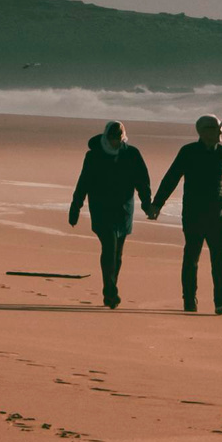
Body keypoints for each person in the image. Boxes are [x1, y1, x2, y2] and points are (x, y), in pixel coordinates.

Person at [151, 113, 222, 315]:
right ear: (205, 131)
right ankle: (189, 300)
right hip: (194, 214)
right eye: (218, 128)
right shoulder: (188, 152)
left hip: (219, 215)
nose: (221, 132)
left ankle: (221, 300)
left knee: (220, 259)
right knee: (192, 257)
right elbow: (171, 178)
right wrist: (157, 204)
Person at [67, 120, 152, 309]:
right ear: (106, 136)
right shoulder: (94, 156)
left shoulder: (131, 154)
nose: (115, 142)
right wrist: (75, 208)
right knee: (109, 247)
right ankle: (110, 292)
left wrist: (147, 204)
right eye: (112, 138)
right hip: (101, 209)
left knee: (118, 254)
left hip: (124, 210)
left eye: (118, 138)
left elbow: (142, 181)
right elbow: (84, 183)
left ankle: (110, 288)